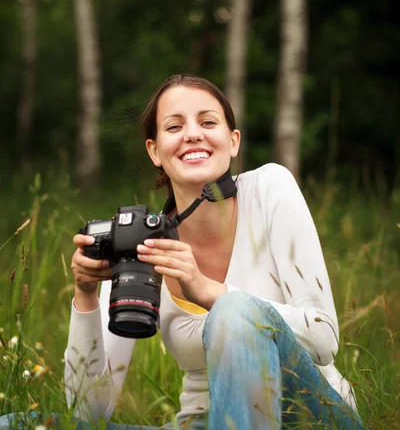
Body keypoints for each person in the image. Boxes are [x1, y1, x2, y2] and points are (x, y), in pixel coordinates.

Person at [64, 74, 364, 430]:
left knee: (235, 310)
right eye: (174, 126)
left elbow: (324, 338)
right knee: (20, 421)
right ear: (154, 150)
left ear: (233, 141)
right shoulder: (140, 240)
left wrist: (209, 291)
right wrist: (85, 296)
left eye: (208, 122)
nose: (193, 133)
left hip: (310, 417)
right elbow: (88, 415)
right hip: (199, 424)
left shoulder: (269, 188)